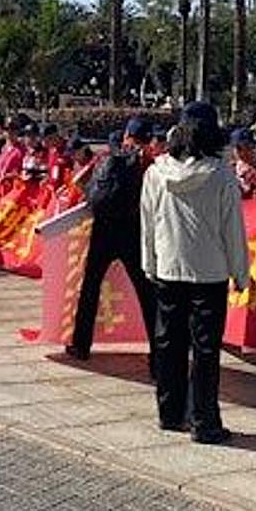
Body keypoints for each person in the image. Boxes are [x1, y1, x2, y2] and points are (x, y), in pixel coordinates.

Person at [141, 103, 247, 444]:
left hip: (168, 269)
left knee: (168, 343)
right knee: (205, 350)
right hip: (209, 273)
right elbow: (233, 231)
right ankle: (204, 421)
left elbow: (147, 223)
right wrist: (240, 273)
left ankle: (170, 413)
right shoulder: (221, 176)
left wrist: (150, 264)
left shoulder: (156, 172)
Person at [67, 118, 157, 370]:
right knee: (148, 294)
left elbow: (84, 186)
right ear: (148, 139)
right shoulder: (150, 165)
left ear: (126, 135)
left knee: (90, 287)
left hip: (103, 232)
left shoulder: (106, 157)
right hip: (133, 232)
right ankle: (158, 356)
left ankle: (81, 345)